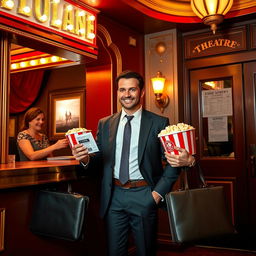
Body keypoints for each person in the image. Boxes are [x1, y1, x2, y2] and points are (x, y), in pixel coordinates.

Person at [71, 70, 195, 256]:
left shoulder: (159, 122)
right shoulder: (105, 123)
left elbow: (173, 162)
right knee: (115, 252)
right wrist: (85, 159)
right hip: (114, 196)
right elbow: (98, 161)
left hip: (144, 194)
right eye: (122, 90)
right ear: (118, 92)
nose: (126, 94)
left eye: (132, 90)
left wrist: (156, 194)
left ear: (141, 92)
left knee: (145, 251)